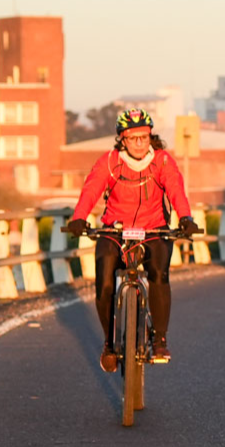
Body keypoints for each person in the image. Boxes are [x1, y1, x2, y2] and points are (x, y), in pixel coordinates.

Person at [66, 110, 198, 368]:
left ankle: (159, 340)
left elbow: (175, 189)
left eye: (144, 137)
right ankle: (109, 343)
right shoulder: (109, 161)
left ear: (151, 136)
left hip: (153, 229)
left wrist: (185, 218)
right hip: (115, 230)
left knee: (159, 274)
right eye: (133, 138)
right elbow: (91, 189)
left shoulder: (162, 161)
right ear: (122, 139)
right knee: (104, 281)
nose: (139, 143)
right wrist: (79, 218)